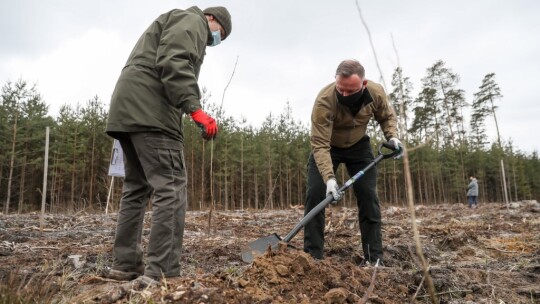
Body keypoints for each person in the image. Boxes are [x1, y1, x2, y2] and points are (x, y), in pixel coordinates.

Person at [104, 6, 232, 284]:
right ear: (213, 20)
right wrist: (195, 109)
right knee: (171, 186)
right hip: (151, 112)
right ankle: (162, 271)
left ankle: (124, 265)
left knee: (136, 189)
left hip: (127, 109)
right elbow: (174, 61)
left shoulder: (173, 21)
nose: (214, 41)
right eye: (219, 35)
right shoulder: (193, 20)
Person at [304, 59, 402, 265]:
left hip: (359, 147)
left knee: (368, 197)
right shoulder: (324, 100)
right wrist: (330, 179)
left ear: (363, 84)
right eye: (341, 90)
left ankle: (373, 258)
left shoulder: (375, 92)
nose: (345, 95)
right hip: (328, 147)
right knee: (315, 194)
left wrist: (392, 136)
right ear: (336, 81)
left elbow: (386, 117)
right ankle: (313, 258)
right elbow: (320, 145)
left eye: (351, 91)